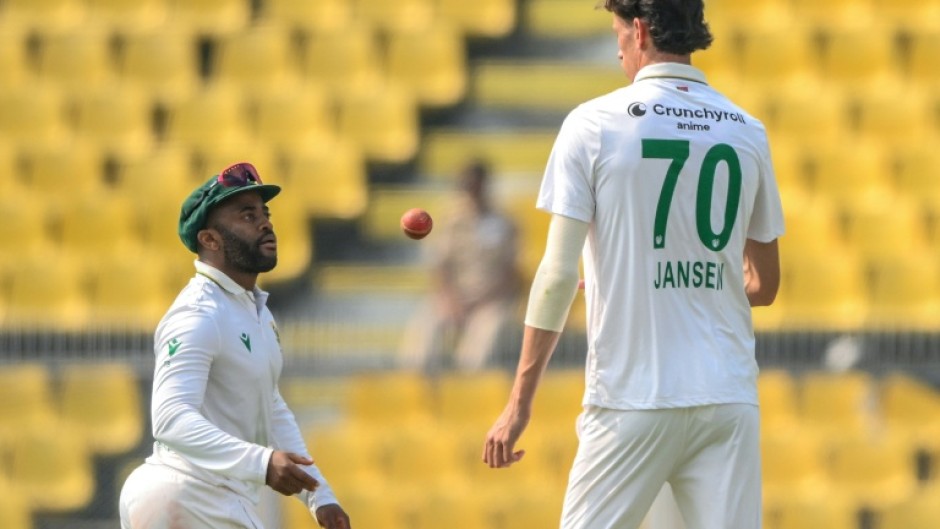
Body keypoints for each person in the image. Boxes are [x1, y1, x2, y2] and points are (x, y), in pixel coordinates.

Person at [482, 1, 784, 529]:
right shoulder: (746, 130)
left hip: (633, 396)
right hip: (727, 399)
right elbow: (763, 285)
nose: (618, 46)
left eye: (619, 33)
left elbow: (555, 278)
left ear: (639, 31)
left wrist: (518, 405)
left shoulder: (594, 124)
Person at [119, 162, 351, 529]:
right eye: (247, 216)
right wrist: (261, 463)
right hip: (187, 494)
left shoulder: (252, 310)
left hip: (210, 498)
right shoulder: (199, 313)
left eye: (264, 213)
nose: (265, 223)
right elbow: (170, 419)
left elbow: (269, 404)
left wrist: (319, 495)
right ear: (209, 240)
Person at [400, 159, 521, 372]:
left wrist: (482, 301)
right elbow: (440, 266)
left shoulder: (504, 222)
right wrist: (451, 300)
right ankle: (415, 391)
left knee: (476, 351)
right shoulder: (450, 221)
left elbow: (510, 272)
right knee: (420, 343)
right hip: (455, 296)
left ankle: (464, 396)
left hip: (492, 300)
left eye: (475, 186)